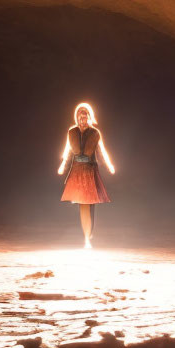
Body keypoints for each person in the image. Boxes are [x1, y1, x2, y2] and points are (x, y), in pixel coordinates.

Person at [57, 102, 115, 248]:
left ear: (89, 117)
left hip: (90, 171)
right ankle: (86, 239)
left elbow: (101, 152)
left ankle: (88, 235)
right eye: (79, 117)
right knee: (83, 204)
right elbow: (68, 152)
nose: (82, 120)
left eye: (85, 117)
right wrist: (63, 167)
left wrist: (109, 165)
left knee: (89, 204)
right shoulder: (72, 132)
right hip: (77, 172)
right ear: (76, 118)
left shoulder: (95, 133)